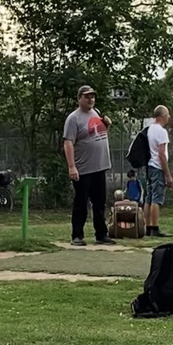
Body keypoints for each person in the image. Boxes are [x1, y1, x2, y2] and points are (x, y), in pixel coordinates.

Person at [63, 85, 117, 246]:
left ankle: (101, 234)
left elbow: (98, 134)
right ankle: (77, 235)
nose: (90, 99)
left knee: (99, 202)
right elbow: (68, 143)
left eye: (92, 96)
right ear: (79, 98)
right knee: (81, 203)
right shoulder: (73, 118)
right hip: (83, 168)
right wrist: (72, 166)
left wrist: (107, 126)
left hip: (99, 166)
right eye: (86, 97)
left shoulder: (96, 113)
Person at [144, 105, 173, 237]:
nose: (169, 117)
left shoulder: (150, 129)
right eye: (167, 114)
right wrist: (167, 174)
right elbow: (162, 154)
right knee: (157, 198)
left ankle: (147, 226)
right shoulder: (161, 132)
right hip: (157, 166)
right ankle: (155, 227)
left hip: (150, 165)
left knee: (149, 197)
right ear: (162, 116)